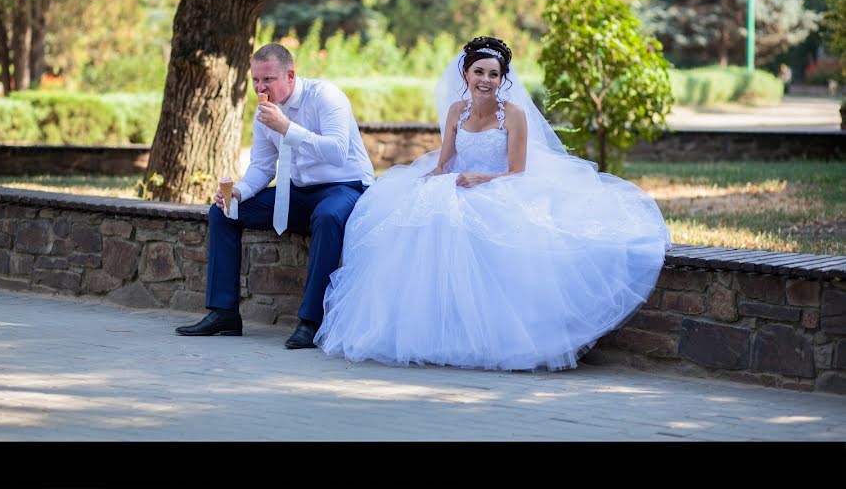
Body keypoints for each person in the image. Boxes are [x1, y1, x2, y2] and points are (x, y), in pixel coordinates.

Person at [314, 36, 672, 371]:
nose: (485, 80)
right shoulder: (456, 110)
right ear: (465, 74)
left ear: (502, 79)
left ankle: (495, 335)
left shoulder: (513, 115)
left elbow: (518, 170)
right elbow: (446, 160)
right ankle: (442, 329)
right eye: (479, 72)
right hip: (460, 183)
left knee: (479, 227)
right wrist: (431, 177)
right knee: (419, 219)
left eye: (493, 74)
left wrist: (483, 180)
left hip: (501, 186)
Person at [175, 43, 376, 349]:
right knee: (224, 212)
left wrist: (287, 127)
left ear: (290, 75)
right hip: (297, 191)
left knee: (327, 216)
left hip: (344, 185)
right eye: (255, 80)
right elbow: (262, 166)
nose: (259, 87)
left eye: (267, 79)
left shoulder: (325, 96)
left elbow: (338, 151)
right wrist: (238, 192)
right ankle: (224, 312)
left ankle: (311, 322)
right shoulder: (264, 114)